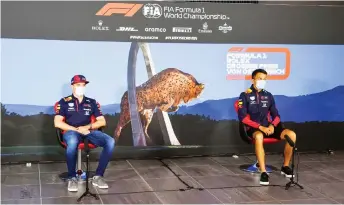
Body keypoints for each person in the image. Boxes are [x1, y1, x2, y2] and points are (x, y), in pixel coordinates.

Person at [54, 75, 115, 192]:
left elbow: (102, 121)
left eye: (83, 85)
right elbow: (57, 123)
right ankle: (72, 178)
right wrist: (75, 129)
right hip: (71, 131)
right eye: (78, 85)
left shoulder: (92, 102)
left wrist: (87, 127)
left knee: (110, 141)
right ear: (72, 86)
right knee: (72, 142)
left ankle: (98, 176)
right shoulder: (64, 102)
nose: (81, 87)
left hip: (88, 131)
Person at [237, 69, 296, 186]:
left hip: (269, 126)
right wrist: (260, 127)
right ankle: (263, 172)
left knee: (291, 135)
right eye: (260, 78)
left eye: (265, 79)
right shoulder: (245, 95)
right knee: (259, 136)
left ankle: (285, 166)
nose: (262, 81)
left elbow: (276, 115)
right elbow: (243, 118)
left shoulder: (268, 95)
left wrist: (272, 125)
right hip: (253, 128)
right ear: (253, 79)